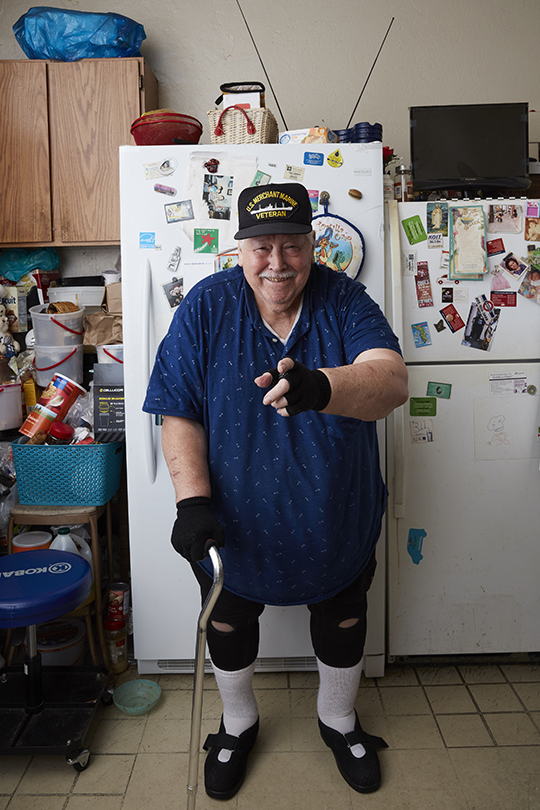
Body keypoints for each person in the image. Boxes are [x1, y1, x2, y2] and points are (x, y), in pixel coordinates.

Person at [143, 182, 408, 800]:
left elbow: (392, 382)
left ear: (313, 246)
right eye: (262, 247)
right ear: (241, 251)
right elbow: (177, 409)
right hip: (233, 521)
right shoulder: (207, 305)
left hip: (334, 511)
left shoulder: (345, 301)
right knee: (229, 623)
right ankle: (237, 724)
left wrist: (321, 386)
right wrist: (191, 501)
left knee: (343, 616)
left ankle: (339, 720)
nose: (278, 262)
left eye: (292, 245)